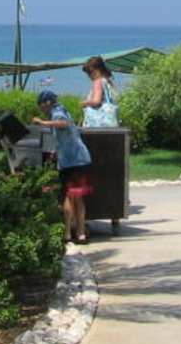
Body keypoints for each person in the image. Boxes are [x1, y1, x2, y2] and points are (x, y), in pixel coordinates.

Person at [33, 88, 93, 243]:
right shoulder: (61, 110)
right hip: (77, 159)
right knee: (77, 197)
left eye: (41, 105)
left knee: (69, 195)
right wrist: (56, 150)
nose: (41, 109)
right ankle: (80, 233)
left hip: (73, 160)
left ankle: (68, 234)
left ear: (47, 103)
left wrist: (42, 122)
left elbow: (63, 123)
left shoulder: (57, 112)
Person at [80, 55, 119, 128]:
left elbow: (96, 101)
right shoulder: (108, 82)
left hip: (98, 126)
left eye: (90, 72)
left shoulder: (98, 82)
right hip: (112, 123)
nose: (89, 75)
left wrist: (84, 103)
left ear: (98, 70)